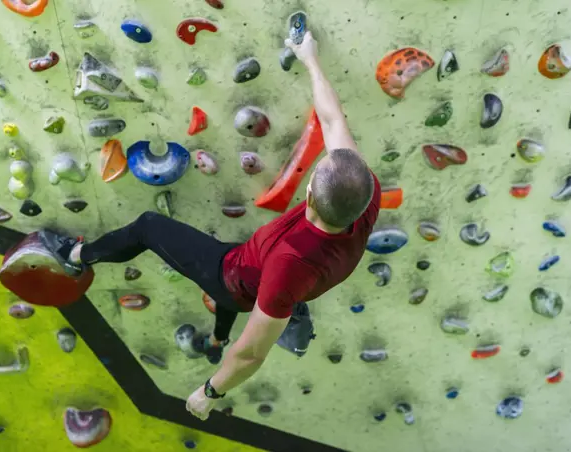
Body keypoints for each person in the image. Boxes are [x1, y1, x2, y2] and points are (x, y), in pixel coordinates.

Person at [56, 30, 381, 421]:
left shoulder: (288, 266)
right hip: (256, 271)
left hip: (234, 275)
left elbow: (251, 353)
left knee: (148, 227)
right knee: (234, 296)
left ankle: (77, 256)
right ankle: (217, 336)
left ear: (310, 192)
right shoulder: (363, 191)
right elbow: (332, 119)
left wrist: (208, 393)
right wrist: (310, 58)